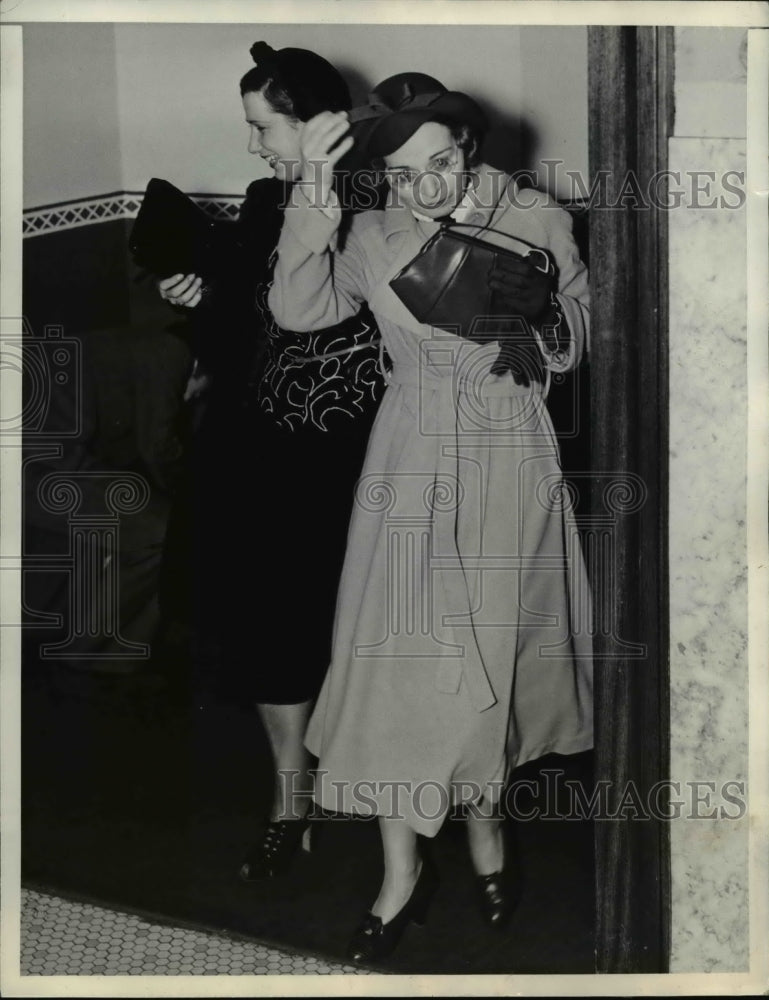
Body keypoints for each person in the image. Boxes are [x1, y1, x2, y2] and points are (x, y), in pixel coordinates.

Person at [268, 72, 593, 962]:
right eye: (408, 174)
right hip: (409, 455)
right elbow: (297, 309)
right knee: (397, 663)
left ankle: (486, 830)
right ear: (385, 180)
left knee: (488, 655)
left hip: (506, 455)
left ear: (469, 149)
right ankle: (400, 872)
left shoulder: (532, 217)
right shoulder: (371, 235)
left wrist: (547, 323)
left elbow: (580, 334)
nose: (431, 186)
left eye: (444, 161)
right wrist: (313, 196)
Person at [157, 42, 387, 880]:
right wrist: (197, 295)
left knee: (343, 620)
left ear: (318, 125)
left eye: (265, 129)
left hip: (351, 456)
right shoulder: (262, 206)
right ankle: (291, 801)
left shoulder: (384, 200)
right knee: (263, 621)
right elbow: (240, 333)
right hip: (255, 452)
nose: (256, 147)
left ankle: (361, 784)